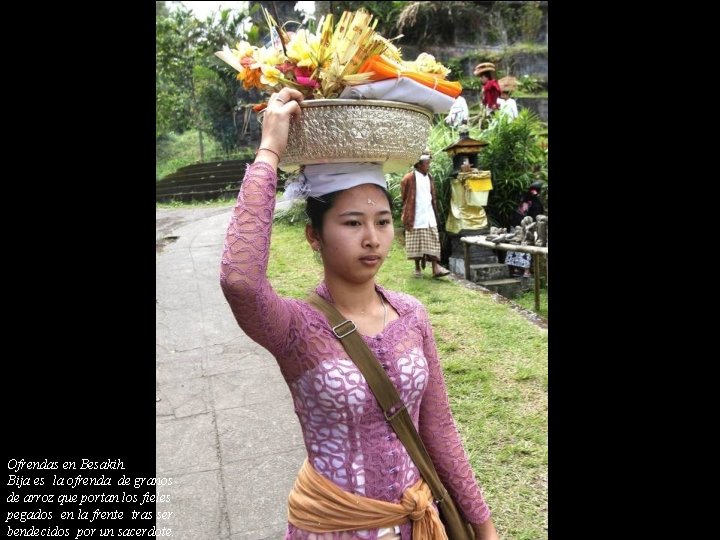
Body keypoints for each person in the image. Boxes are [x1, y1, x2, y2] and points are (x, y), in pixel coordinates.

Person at [220, 87, 499, 540]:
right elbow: (239, 280)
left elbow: (439, 427)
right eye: (352, 223)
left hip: (417, 524)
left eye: (383, 221)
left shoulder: (412, 315)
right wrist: (270, 149)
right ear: (314, 236)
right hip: (332, 528)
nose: (372, 238)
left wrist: (483, 527)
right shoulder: (294, 328)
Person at [400, 155, 451, 279]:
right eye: (427, 163)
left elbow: (431, 196)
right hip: (415, 216)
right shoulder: (409, 178)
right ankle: (417, 268)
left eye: (429, 163)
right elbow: (404, 197)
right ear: (419, 164)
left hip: (429, 215)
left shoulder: (429, 177)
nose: (429, 166)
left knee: (433, 240)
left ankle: (435, 268)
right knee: (415, 243)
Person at [505, 181, 545, 278]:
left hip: (515, 226)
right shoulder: (536, 202)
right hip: (526, 228)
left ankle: (514, 269)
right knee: (526, 248)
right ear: (538, 191)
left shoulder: (525, 198)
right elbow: (537, 217)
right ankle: (526, 272)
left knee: (513, 247)